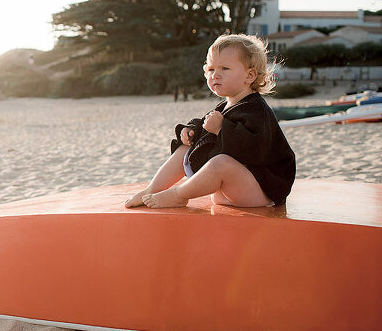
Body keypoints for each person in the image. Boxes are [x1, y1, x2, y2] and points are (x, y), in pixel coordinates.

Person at [125, 34, 296, 209]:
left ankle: (178, 195)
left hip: (261, 191)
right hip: (232, 190)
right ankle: (152, 189)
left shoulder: (256, 110)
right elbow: (205, 125)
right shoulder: (226, 105)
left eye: (224, 68)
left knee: (221, 163)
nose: (215, 75)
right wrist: (191, 131)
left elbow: (255, 148)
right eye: (211, 69)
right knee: (186, 147)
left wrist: (222, 128)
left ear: (250, 75)